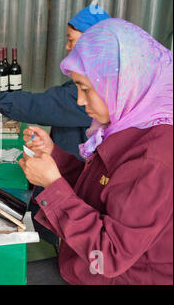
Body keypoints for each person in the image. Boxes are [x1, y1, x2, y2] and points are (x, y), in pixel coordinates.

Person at [19, 18, 173, 284]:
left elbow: (109, 254)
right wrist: (55, 154)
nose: (80, 101)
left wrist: (52, 185)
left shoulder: (154, 157)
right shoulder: (130, 124)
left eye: (86, 89)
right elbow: (105, 188)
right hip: (81, 264)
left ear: (122, 83)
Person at [0, 5, 110, 251]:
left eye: (72, 41)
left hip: (77, 215)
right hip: (71, 179)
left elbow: (43, 105)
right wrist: (53, 148)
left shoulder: (100, 91)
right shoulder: (92, 83)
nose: (68, 48)